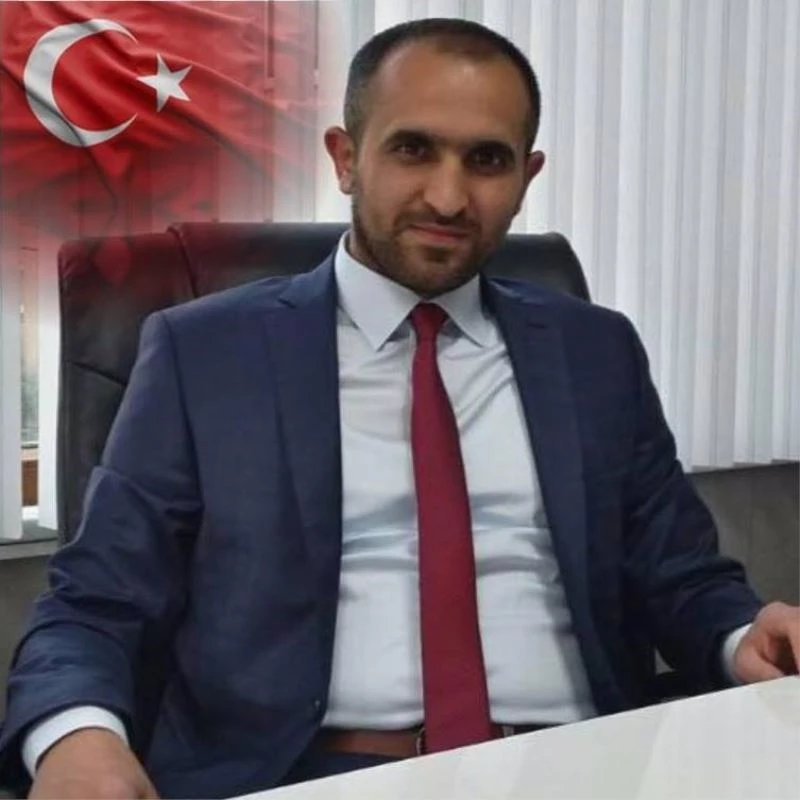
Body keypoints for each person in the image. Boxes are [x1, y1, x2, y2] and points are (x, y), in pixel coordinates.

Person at [2, 17, 798, 800]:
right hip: (309, 773)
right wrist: (77, 740)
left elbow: (679, 575)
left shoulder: (595, 350)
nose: (448, 198)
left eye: (487, 160)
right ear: (346, 158)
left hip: (581, 760)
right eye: (413, 149)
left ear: (527, 176)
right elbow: (98, 600)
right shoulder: (205, 353)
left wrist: (742, 635)